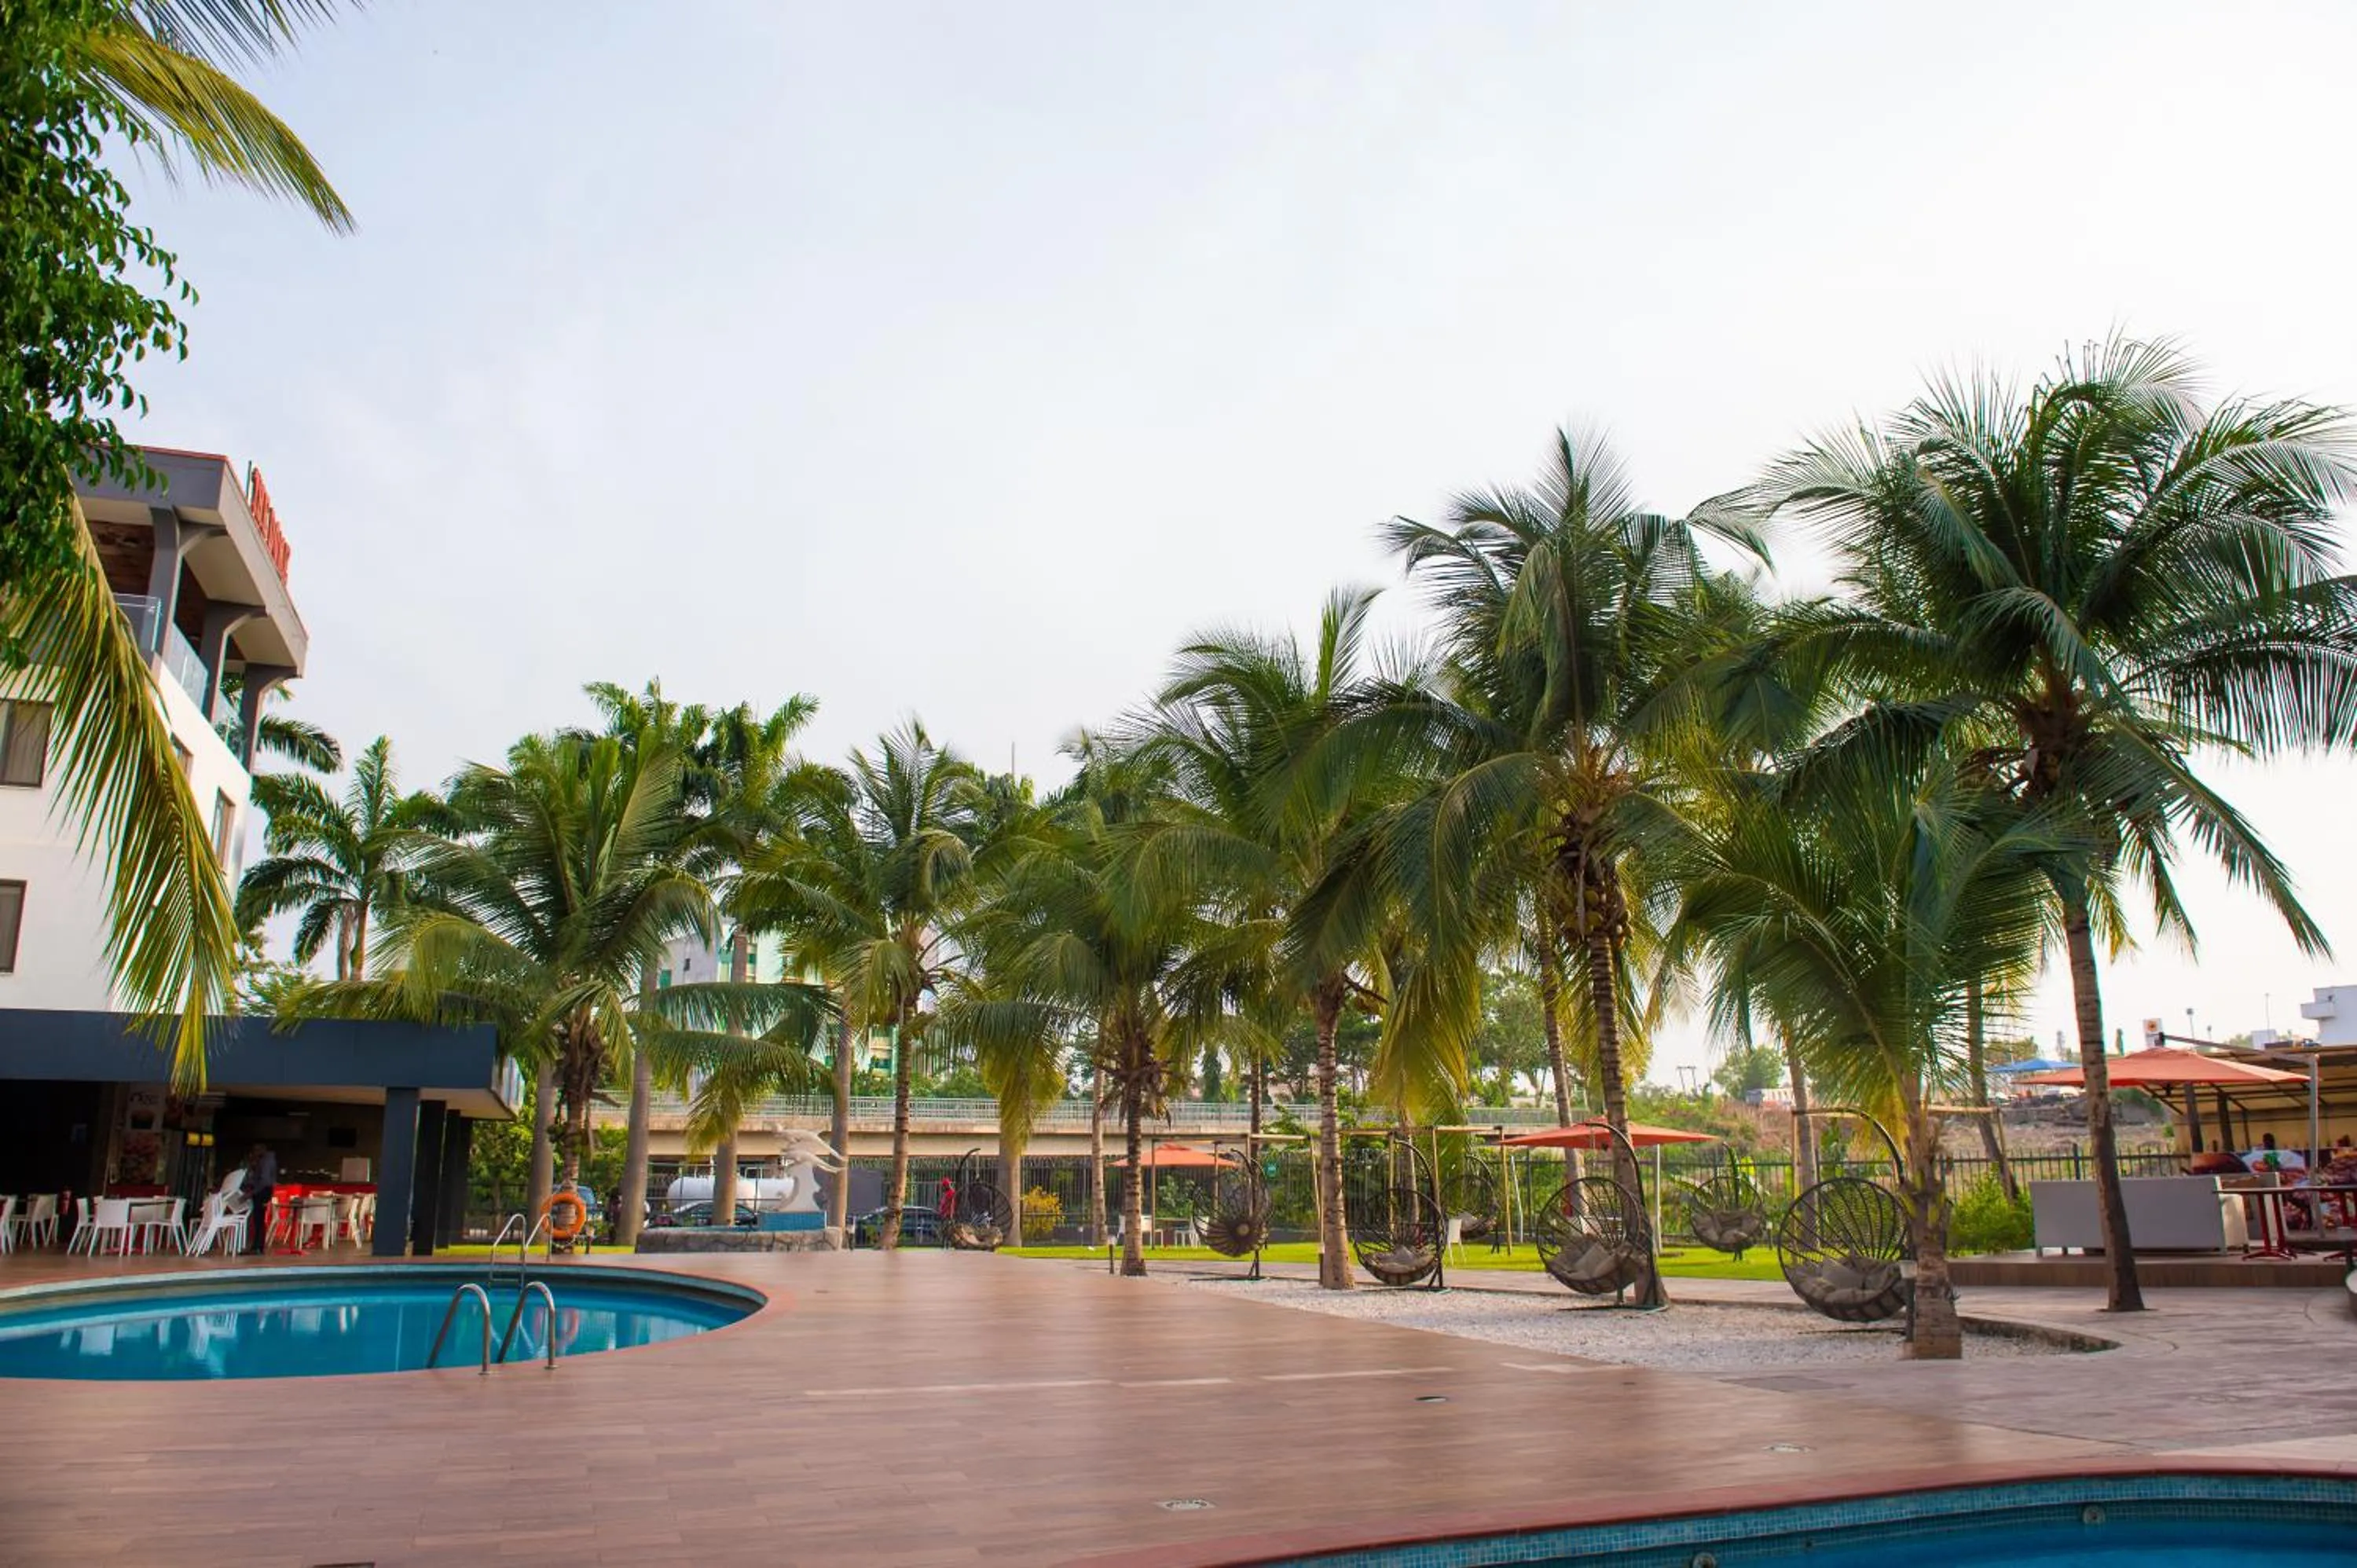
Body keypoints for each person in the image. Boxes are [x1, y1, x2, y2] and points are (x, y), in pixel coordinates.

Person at [238, 1144, 277, 1254]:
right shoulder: (266, 1160)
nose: (254, 1153)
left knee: (259, 1220)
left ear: (261, 1150)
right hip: (264, 1191)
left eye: (256, 1151)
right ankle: (257, 1246)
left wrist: (251, 1193)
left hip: (263, 1192)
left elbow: (264, 1181)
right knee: (258, 1220)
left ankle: (258, 1247)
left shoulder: (266, 1162)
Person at [2243, 1132, 2307, 1173]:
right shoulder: (2261, 1151)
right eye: (2266, 1141)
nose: (2268, 1143)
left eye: (2270, 1141)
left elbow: (2278, 1167)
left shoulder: (2276, 1152)